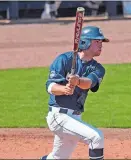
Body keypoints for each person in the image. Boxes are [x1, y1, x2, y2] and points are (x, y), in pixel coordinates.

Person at [41, 26, 109, 160]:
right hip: (58, 116)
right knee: (96, 137)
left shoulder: (98, 68)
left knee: (57, 158)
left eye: (101, 42)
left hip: (75, 118)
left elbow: (89, 82)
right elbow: (50, 86)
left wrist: (77, 80)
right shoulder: (64, 59)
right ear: (85, 43)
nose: (101, 45)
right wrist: (64, 89)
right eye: (97, 41)